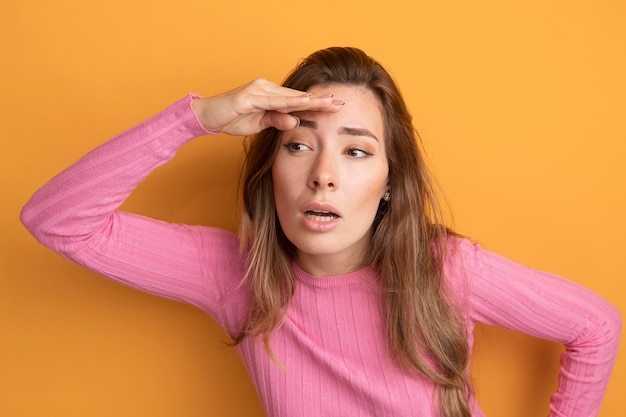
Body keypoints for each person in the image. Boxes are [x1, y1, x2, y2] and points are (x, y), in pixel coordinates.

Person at [21, 47, 621, 417]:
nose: (324, 176)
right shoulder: (237, 273)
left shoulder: (443, 269)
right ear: (271, 172)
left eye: (357, 151)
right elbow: (57, 222)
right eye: (299, 145)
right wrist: (197, 117)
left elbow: (596, 325)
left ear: (389, 181)